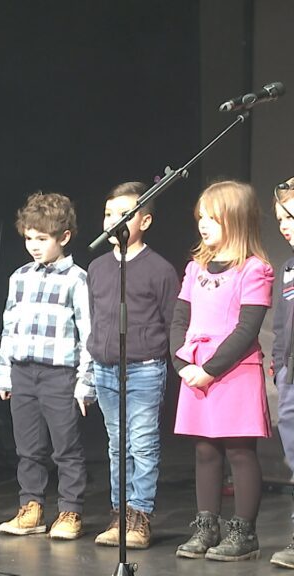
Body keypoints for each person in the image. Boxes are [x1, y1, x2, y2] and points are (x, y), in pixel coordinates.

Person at [171, 181, 273, 562]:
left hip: (233, 371)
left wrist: (210, 369)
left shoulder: (254, 269)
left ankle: (244, 532)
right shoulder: (195, 268)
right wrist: (183, 364)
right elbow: (180, 317)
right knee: (204, 449)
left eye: (213, 217)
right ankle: (206, 525)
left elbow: (246, 329)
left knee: (239, 451)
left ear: (236, 219)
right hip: (196, 370)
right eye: (201, 216)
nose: (204, 224)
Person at [0, 192, 94, 541]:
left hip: (58, 374)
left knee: (65, 446)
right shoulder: (19, 277)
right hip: (23, 371)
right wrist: (3, 372)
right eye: (29, 238)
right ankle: (31, 506)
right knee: (28, 447)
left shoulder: (77, 279)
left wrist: (85, 382)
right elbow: (9, 327)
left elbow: (88, 334)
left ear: (63, 237)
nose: (33, 246)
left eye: (42, 239)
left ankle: (70, 509)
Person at [87, 182, 179, 549]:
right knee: (116, 445)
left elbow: (172, 320)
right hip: (106, 367)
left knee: (141, 443)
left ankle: (139, 516)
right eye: (109, 214)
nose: (113, 221)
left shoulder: (159, 269)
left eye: (123, 214)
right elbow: (95, 318)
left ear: (145, 220)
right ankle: (118, 514)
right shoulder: (97, 267)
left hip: (144, 367)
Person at [271, 177, 294, 569]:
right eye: (279, 218)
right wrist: (279, 368)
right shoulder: (288, 267)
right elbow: (281, 323)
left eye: (290, 216)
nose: (284, 225)